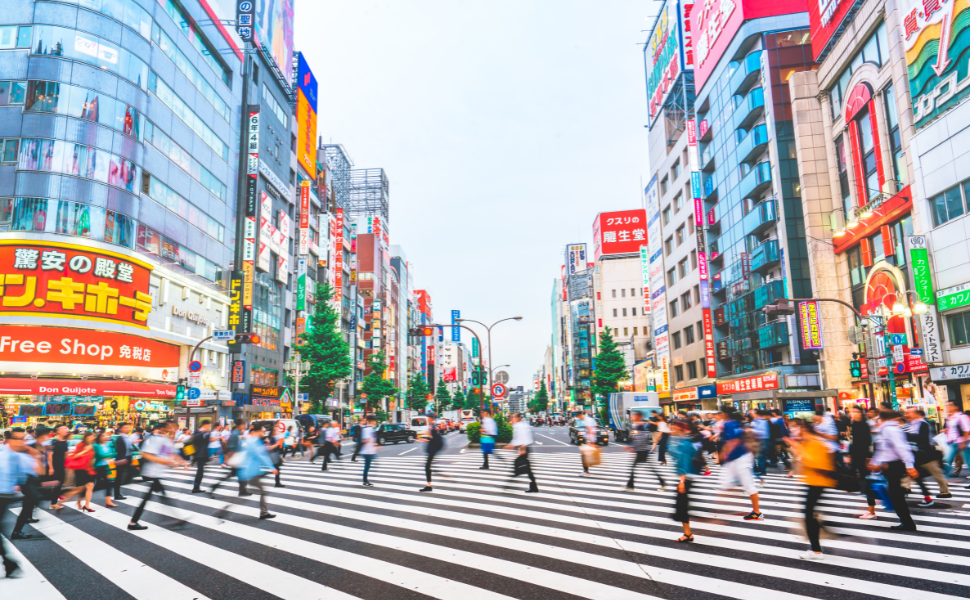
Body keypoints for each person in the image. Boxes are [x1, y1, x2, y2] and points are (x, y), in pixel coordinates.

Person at [786, 422, 837, 560]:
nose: (794, 431)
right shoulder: (810, 443)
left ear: (804, 430)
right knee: (810, 515)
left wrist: (797, 447)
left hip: (817, 483)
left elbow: (813, 463)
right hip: (813, 482)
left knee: (809, 516)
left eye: (796, 428)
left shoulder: (814, 443)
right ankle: (818, 546)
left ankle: (816, 550)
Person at [0, 429, 44, 577]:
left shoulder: (20, 457)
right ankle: (9, 564)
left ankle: (9, 564)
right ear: (9, 440)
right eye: (17, 439)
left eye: (23, 439)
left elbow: (40, 471)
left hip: (3, 498)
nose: (20, 442)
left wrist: (31, 451)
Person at [128, 421, 185, 531]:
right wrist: (165, 462)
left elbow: (172, 453)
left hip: (158, 473)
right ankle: (133, 522)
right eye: (171, 427)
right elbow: (145, 454)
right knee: (153, 498)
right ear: (164, 428)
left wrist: (178, 460)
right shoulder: (154, 439)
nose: (174, 429)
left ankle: (172, 519)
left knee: (159, 497)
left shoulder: (166, 440)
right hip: (152, 472)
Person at [870, 410, 919, 531]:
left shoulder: (891, 430)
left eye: (877, 419)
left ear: (882, 418)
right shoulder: (886, 430)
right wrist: (876, 463)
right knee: (895, 495)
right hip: (890, 465)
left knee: (896, 495)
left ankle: (908, 523)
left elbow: (902, 448)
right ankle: (906, 522)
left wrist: (909, 466)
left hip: (895, 465)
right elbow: (882, 450)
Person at [717, 405, 763, 521]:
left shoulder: (729, 424)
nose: (720, 414)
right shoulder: (736, 422)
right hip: (739, 457)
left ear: (725, 413)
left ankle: (756, 512)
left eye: (721, 412)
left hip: (740, 457)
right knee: (726, 482)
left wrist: (723, 453)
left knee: (748, 485)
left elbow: (734, 440)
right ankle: (730, 508)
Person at [905, 406, 951, 505]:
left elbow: (924, 438)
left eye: (909, 413)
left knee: (936, 472)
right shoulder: (910, 424)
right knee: (913, 474)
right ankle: (908, 490)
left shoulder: (923, 423)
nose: (906, 415)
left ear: (916, 414)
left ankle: (944, 492)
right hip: (916, 454)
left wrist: (909, 437)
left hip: (927, 454)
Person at [235, 424, 277, 520]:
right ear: (257, 431)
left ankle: (264, 512)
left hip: (248, 471)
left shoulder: (249, 441)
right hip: (250, 472)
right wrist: (272, 467)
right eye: (262, 431)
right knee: (263, 491)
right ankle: (264, 513)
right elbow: (260, 456)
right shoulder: (252, 442)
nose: (263, 433)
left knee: (258, 492)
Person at [669, 418, 698, 542]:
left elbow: (684, 464)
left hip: (685, 479)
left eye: (674, 428)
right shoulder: (683, 441)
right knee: (682, 508)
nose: (672, 430)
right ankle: (687, 533)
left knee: (682, 508)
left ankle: (688, 534)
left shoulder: (685, 443)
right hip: (686, 478)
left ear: (680, 429)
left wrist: (681, 482)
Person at [846, 406, 877, 519]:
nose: (854, 413)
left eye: (857, 412)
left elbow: (868, 442)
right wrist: (849, 455)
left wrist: (868, 458)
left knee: (866, 483)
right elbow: (853, 442)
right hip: (856, 457)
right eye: (852, 411)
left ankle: (871, 511)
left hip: (863, 457)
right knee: (860, 482)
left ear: (861, 413)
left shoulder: (864, 425)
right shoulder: (854, 424)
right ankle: (870, 510)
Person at [625, 411, 665, 491]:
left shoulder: (640, 425)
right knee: (648, 468)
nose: (632, 417)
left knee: (634, 468)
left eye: (634, 415)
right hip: (642, 450)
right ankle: (662, 482)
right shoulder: (637, 425)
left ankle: (630, 486)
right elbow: (633, 436)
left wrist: (633, 447)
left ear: (638, 416)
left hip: (641, 451)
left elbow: (641, 438)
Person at [209, 419, 249, 497]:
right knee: (240, 475)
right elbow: (233, 446)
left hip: (237, 457)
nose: (244, 426)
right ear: (240, 425)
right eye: (243, 424)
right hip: (236, 457)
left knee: (234, 475)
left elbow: (241, 444)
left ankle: (242, 490)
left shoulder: (237, 433)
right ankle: (242, 491)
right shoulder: (236, 433)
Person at [60, 432, 97, 513]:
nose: (92, 438)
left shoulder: (92, 445)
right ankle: (62, 500)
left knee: (90, 486)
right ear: (86, 437)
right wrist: (85, 451)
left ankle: (86, 505)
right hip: (80, 470)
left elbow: (92, 457)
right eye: (91, 436)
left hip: (89, 469)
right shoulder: (80, 445)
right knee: (80, 489)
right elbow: (75, 456)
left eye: (93, 436)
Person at [505, 413, 539, 493]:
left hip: (525, 448)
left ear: (518, 418)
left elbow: (523, 437)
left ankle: (514, 477)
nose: (512, 419)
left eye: (514, 417)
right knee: (527, 468)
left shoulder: (520, 426)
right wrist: (511, 446)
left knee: (520, 464)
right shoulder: (522, 425)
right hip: (524, 448)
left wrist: (522, 448)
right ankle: (533, 486)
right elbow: (517, 439)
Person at [418, 416, 445, 492]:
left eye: (429, 418)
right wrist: (421, 440)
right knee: (428, 467)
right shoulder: (434, 427)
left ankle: (429, 486)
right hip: (433, 449)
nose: (428, 419)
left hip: (432, 450)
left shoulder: (432, 427)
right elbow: (431, 439)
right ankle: (429, 485)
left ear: (431, 419)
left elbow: (431, 439)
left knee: (427, 467)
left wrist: (423, 439)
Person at [93, 430, 119, 508]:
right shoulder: (96, 446)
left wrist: (108, 455)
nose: (105, 437)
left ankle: (108, 502)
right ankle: (79, 497)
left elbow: (114, 453)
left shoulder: (107, 445)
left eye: (106, 435)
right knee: (93, 486)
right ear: (99, 437)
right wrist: (108, 455)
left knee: (108, 484)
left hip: (105, 466)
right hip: (97, 467)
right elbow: (101, 456)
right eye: (103, 436)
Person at [945, 401, 970, 477]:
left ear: (956, 407)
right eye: (947, 405)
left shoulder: (962, 416)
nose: (948, 407)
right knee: (946, 460)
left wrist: (964, 442)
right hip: (953, 443)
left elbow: (967, 429)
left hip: (962, 442)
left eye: (950, 405)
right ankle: (946, 479)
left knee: (968, 461)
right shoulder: (950, 417)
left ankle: (948, 478)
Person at [112, 423, 133, 500]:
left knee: (130, 473)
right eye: (126, 427)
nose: (128, 428)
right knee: (118, 477)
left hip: (127, 458)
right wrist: (122, 459)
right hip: (122, 459)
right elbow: (120, 450)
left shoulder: (128, 437)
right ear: (121, 429)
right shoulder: (120, 438)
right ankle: (117, 494)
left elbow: (129, 448)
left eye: (128, 427)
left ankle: (125, 483)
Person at [190, 420, 212, 494]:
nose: (209, 427)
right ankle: (196, 487)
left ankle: (196, 487)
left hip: (202, 455)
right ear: (204, 425)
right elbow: (194, 440)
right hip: (199, 455)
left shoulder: (206, 433)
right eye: (208, 425)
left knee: (200, 472)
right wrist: (202, 432)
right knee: (200, 472)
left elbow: (206, 442)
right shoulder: (198, 432)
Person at [751, 410, 771, 480]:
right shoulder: (754, 421)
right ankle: (760, 470)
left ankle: (762, 471)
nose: (752, 414)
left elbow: (763, 432)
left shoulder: (763, 422)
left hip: (762, 440)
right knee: (759, 456)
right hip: (758, 440)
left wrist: (752, 431)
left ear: (757, 414)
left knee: (760, 456)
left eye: (753, 413)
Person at [360, 415, 378, 487]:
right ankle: (365, 481)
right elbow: (364, 440)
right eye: (374, 421)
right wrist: (371, 440)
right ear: (372, 421)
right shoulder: (367, 429)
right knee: (367, 467)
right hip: (367, 451)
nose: (375, 422)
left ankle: (365, 481)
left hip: (370, 451)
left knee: (368, 466)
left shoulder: (370, 429)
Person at [580, 411, 598, 477]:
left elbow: (589, 430)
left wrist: (590, 441)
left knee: (584, 456)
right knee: (584, 455)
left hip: (589, 440)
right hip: (590, 440)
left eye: (579, 416)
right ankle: (586, 470)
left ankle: (586, 471)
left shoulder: (587, 420)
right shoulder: (589, 419)